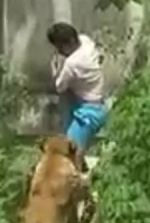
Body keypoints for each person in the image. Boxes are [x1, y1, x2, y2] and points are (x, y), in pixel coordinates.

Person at [46, 22, 108, 154]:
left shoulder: (72, 64)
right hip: (97, 103)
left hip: (88, 112)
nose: (59, 52)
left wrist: (55, 70)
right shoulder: (86, 41)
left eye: (60, 48)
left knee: (69, 152)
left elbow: (59, 87)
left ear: (70, 43)